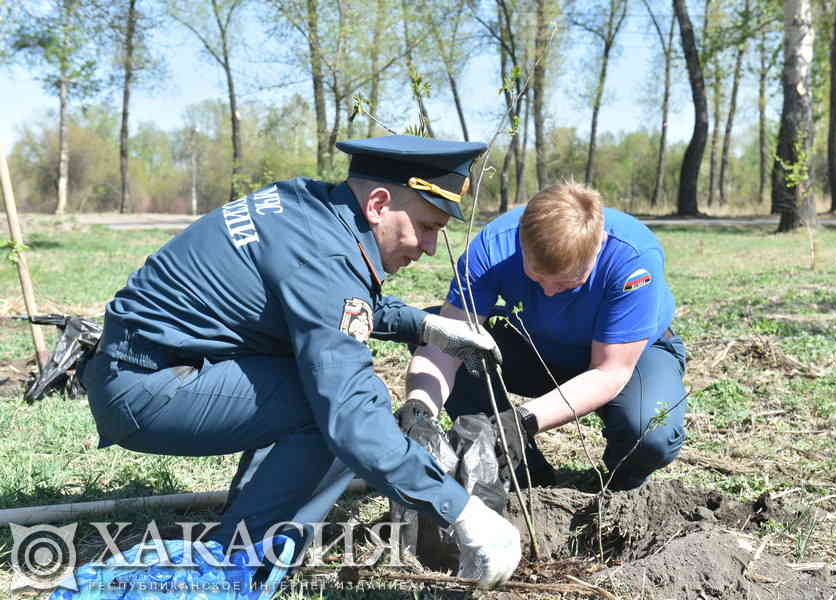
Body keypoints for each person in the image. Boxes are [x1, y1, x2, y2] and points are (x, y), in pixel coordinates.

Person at [78, 135, 520, 589]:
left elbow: (322, 301)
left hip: (151, 367)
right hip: (146, 389)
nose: (429, 246)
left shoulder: (311, 209)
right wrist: (461, 509)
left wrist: (424, 327)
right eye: (427, 225)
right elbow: (351, 419)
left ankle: (247, 531)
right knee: (337, 408)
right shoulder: (325, 253)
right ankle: (242, 565)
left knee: (323, 393)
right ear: (379, 204)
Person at [401, 181, 687, 492]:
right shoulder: (493, 249)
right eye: (536, 278)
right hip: (535, 346)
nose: (549, 292)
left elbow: (609, 372)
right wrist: (420, 408)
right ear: (521, 242)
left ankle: (617, 488)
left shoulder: (632, 259)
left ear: (599, 245)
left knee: (650, 433)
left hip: (626, 357)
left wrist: (520, 421)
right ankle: (523, 471)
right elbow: (448, 344)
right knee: (434, 330)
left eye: (567, 282)